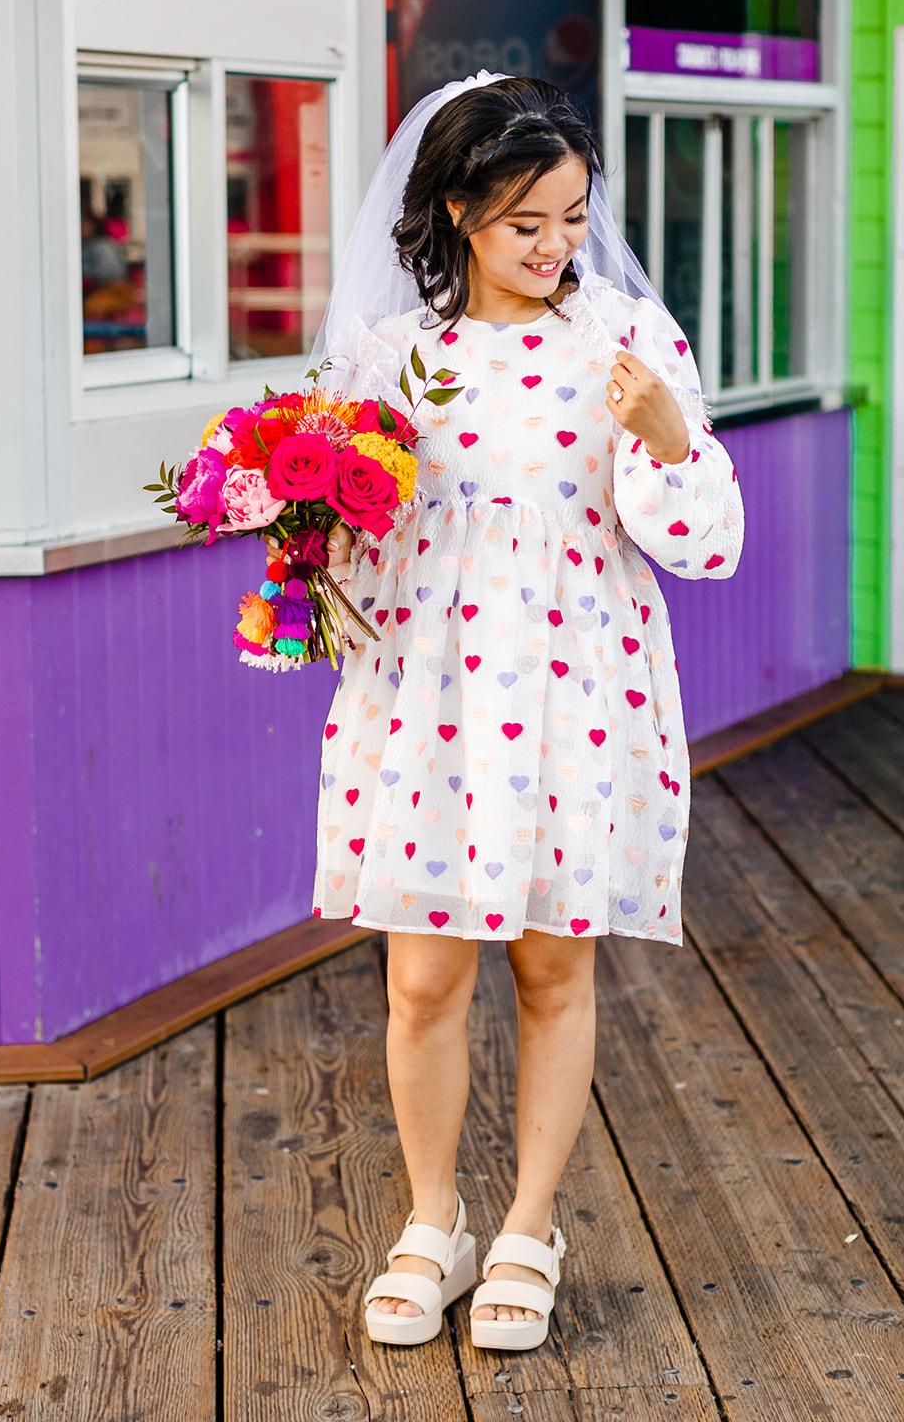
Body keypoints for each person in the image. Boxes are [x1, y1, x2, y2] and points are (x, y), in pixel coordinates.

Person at [309, 74, 744, 1352]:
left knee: (553, 966)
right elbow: (352, 548)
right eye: (523, 224)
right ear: (455, 211)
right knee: (420, 976)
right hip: (432, 698)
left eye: (569, 215)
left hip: (570, 691)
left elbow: (699, 543)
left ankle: (529, 1225)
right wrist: (297, 521)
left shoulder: (624, 342)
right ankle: (431, 1219)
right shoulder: (395, 356)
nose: (556, 246)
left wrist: (667, 435)